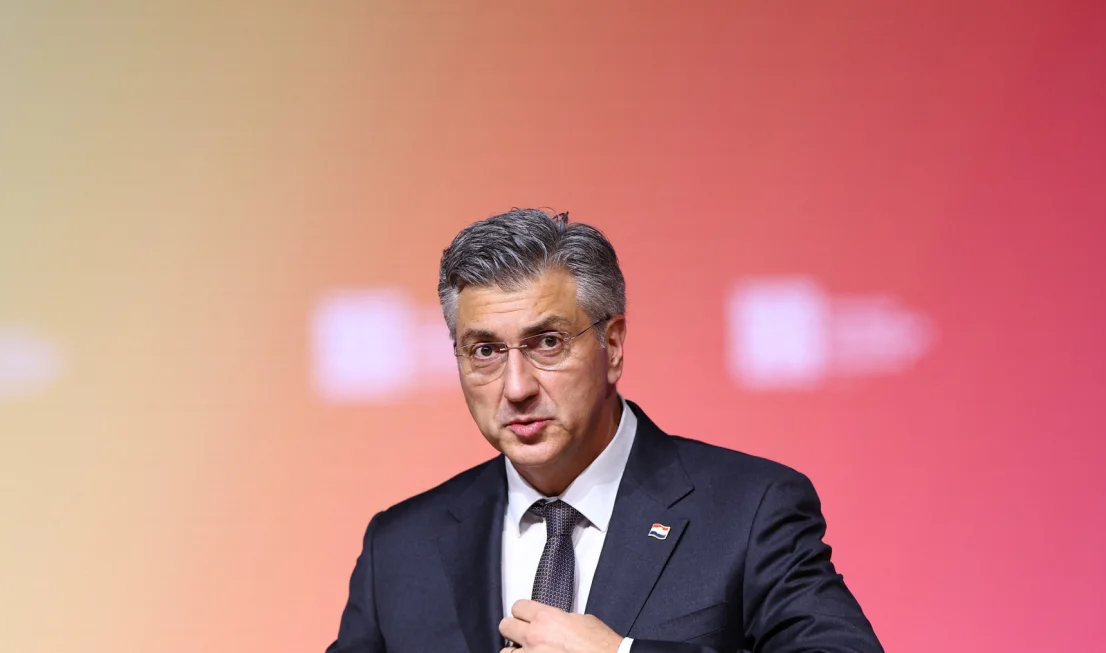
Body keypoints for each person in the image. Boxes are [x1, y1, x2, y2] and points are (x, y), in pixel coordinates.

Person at [326, 209, 884, 653]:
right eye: (486, 351)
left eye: (548, 343)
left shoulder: (748, 509)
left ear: (611, 347)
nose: (516, 386)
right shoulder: (401, 547)